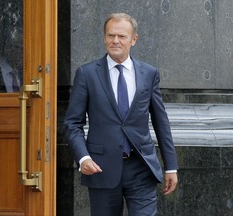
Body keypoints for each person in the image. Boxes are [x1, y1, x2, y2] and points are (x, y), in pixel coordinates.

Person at [64, 13, 179, 216]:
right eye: (110, 35)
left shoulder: (149, 74)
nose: (115, 40)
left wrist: (171, 167)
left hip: (141, 167)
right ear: (104, 38)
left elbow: (161, 122)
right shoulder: (87, 74)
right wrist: (83, 158)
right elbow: (73, 123)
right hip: (101, 168)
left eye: (121, 36)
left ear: (133, 39)